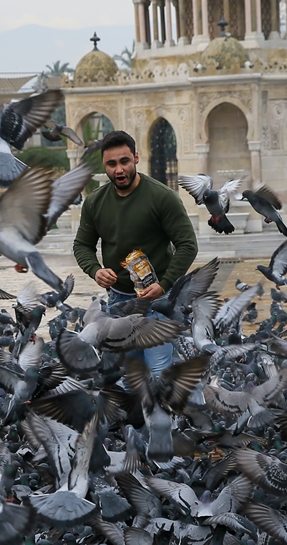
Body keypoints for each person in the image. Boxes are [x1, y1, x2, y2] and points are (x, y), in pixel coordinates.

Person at [72, 130, 199, 375]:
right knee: (128, 374)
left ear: (136, 158)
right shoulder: (94, 203)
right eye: (112, 164)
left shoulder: (162, 197)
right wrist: (95, 270)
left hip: (158, 300)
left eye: (124, 161)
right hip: (119, 302)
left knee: (159, 369)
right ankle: (137, 413)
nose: (119, 170)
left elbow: (188, 245)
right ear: (104, 166)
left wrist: (164, 284)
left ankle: (165, 412)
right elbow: (82, 246)